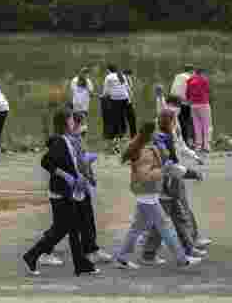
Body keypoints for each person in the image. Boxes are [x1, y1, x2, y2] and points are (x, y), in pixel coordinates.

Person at [111, 121, 203, 270]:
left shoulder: (146, 148)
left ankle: (121, 258)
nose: (158, 133)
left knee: (137, 229)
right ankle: (182, 259)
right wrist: (163, 170)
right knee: (165, 228)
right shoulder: (145, 152)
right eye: (155, 131)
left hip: (147, 195)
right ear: (150, 133)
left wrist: (167, 169)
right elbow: (145, 176)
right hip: (148, 196)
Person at [22, 109, 100, 277]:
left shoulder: (67, 140)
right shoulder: (60, 141)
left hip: (67, 191)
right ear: (64, 122)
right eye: (71, 120)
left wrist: (78, 173)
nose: (74, 122)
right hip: (60, 193)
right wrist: (67, 177)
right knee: (63, 229)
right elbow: (46, 162)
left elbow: (70, 163)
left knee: (71, 229)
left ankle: (80, 265)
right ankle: (32, 255)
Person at [141, 105, 212, 263]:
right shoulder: (162, 140)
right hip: (165, 186)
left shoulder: (166, 136)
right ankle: (148, 253)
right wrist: (193, 173)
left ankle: (188, 248)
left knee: (179, 217)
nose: (176, 123)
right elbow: (170, 166)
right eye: (174, 120)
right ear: (170, 122)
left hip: (170, 185)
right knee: (161, 222)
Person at [102, 64, 132, 153]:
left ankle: (116, 140)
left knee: (115, 120)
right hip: (125, 99)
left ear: (108, 70)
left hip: (115, 100)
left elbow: (106, 91)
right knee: (122, 118)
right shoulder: (120, 75)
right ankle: (122, 135)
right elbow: (127, 87)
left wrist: (103, 96)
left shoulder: (108, 77)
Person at [186, 68, 213, 153]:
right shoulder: (204, 80)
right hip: (203, 104)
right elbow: (208, 90)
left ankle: (198, 146)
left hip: (193, 105)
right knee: (206, 125)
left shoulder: (190, 80)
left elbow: (187, 93)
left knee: (197, 125)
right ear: (202, 73)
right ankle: (206, 146)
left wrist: (190, 100)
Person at [171, 65, 195, 149]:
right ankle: (188, 141)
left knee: (179, 122)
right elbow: (191, 90)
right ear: (191, 70)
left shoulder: (177, 76)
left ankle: (181, 140)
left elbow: (173, 89)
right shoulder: (190, 77)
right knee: (187, 122)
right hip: (186, 102)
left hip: (176, 102)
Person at [70, 68, 95, 135]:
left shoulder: (74, 80)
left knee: (77, 118)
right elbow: (91, 92)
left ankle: (77, 131)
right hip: (84, 103)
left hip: (76, 102)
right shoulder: (88, 81)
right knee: (83, 118)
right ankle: (83, 131)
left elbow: (72, 90)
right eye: (87, 73)